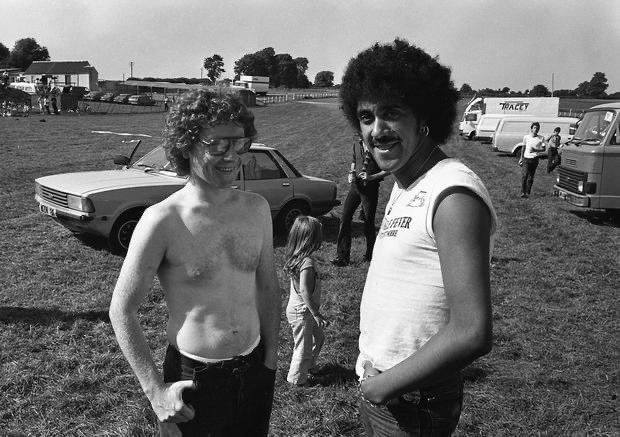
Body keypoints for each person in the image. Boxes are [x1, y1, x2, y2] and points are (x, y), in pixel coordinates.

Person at [339, 38, 497, 436]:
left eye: (391, 113)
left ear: (423, 118)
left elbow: (472, 331)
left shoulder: (453, 193)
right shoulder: (406, 183)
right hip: (385, 393)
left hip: (411, 401)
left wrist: (382, 387)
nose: (377, 130)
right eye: (366, 117)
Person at [109, 89, 281, 437]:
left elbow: (267, 285)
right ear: (187, 144)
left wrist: (271, 357)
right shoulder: (163, 220)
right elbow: (121, 310)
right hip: (195, 379)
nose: (232, 156)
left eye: (240, 144)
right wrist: (154, 391)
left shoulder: (257, 208)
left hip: (255, 369)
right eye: (218, 144)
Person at [283, 215, 328, 386]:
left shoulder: (299, 257)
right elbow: (304, 291)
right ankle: (297, 380)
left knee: (319, 338)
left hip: (304, 311)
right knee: (302, 347)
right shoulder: (307, 262)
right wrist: (316, 313)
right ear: (312, 238)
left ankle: (309, 366)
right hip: (303, 313)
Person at [332, 137, 389, 266]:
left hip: (370, 188)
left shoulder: (378, 146)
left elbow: (389, 169)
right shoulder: (356, 144)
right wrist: (351, 172)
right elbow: (354, 160)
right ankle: (342, 257)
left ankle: (370, 256)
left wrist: (372, 177)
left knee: (368, 223)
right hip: (355, 186)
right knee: (345, 218)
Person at [518, 122, 546, 198]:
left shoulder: (541, 138)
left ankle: (527, 192)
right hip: (526, 159)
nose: (536, 129)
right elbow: (523, 148)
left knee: (531, 177)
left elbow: (544, 149)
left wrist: (536, 150)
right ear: (531, 129)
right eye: (535, 128)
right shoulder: (526, 137)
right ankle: (522, 192)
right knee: (524, 175)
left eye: (537, 128)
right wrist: (521, 158)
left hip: (535, 159)